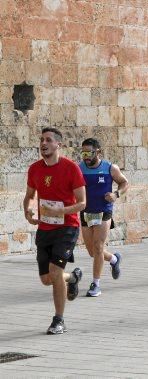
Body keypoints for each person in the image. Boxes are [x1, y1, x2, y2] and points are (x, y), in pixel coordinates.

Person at [23, 127, 86, 334]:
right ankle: (73, 278)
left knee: (55, 272)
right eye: (41, 140)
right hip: (45, 227)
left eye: (48, 140)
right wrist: (28, 210)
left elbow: (82, 203)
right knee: (46, 279)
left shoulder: (71, 168)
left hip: (67, 227)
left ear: (58, 144)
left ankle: (59, 320)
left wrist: (60, 210)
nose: (43, 143)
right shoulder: (35, 169)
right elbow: (29, 195)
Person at [79, 138, 129, 297]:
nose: (86, 156)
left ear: (98, 152)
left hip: (104, 211)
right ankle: (114, 259)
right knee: (92, 252)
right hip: (86, 212)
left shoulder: (109, 168)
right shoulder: (79, 168)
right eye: (83, 152)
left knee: (99, 246)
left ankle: (96, 284)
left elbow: (124, 182)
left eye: (89, 152)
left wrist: (116, 194)